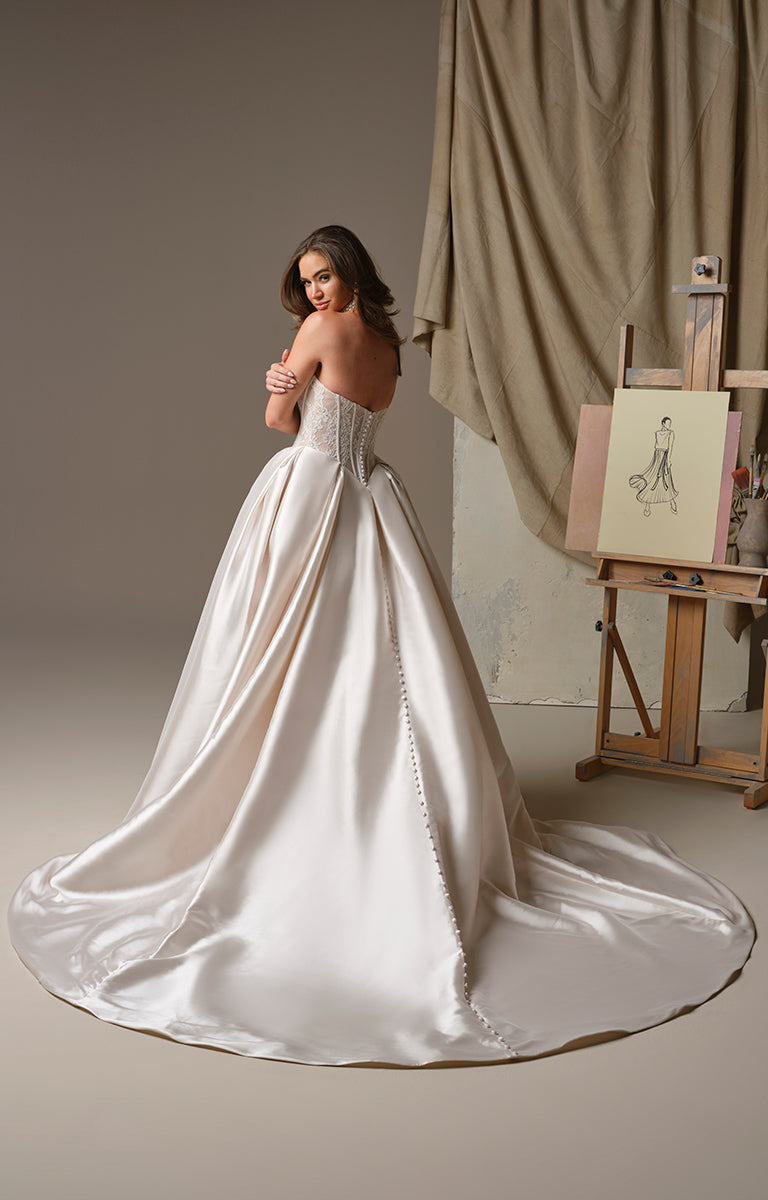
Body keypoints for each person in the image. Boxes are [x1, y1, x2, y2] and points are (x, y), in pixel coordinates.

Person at [8, 226, 754, 1066]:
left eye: (324, 276)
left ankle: (281, 799)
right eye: (306, 281)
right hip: (370, 496)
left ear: (349, 272)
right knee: (376, 653)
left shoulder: (321, 335)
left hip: (309, 490)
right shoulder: (391, 348)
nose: (316, 292)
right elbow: (363, 415)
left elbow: (280, 423)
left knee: (277, 651)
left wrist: (278, 387)